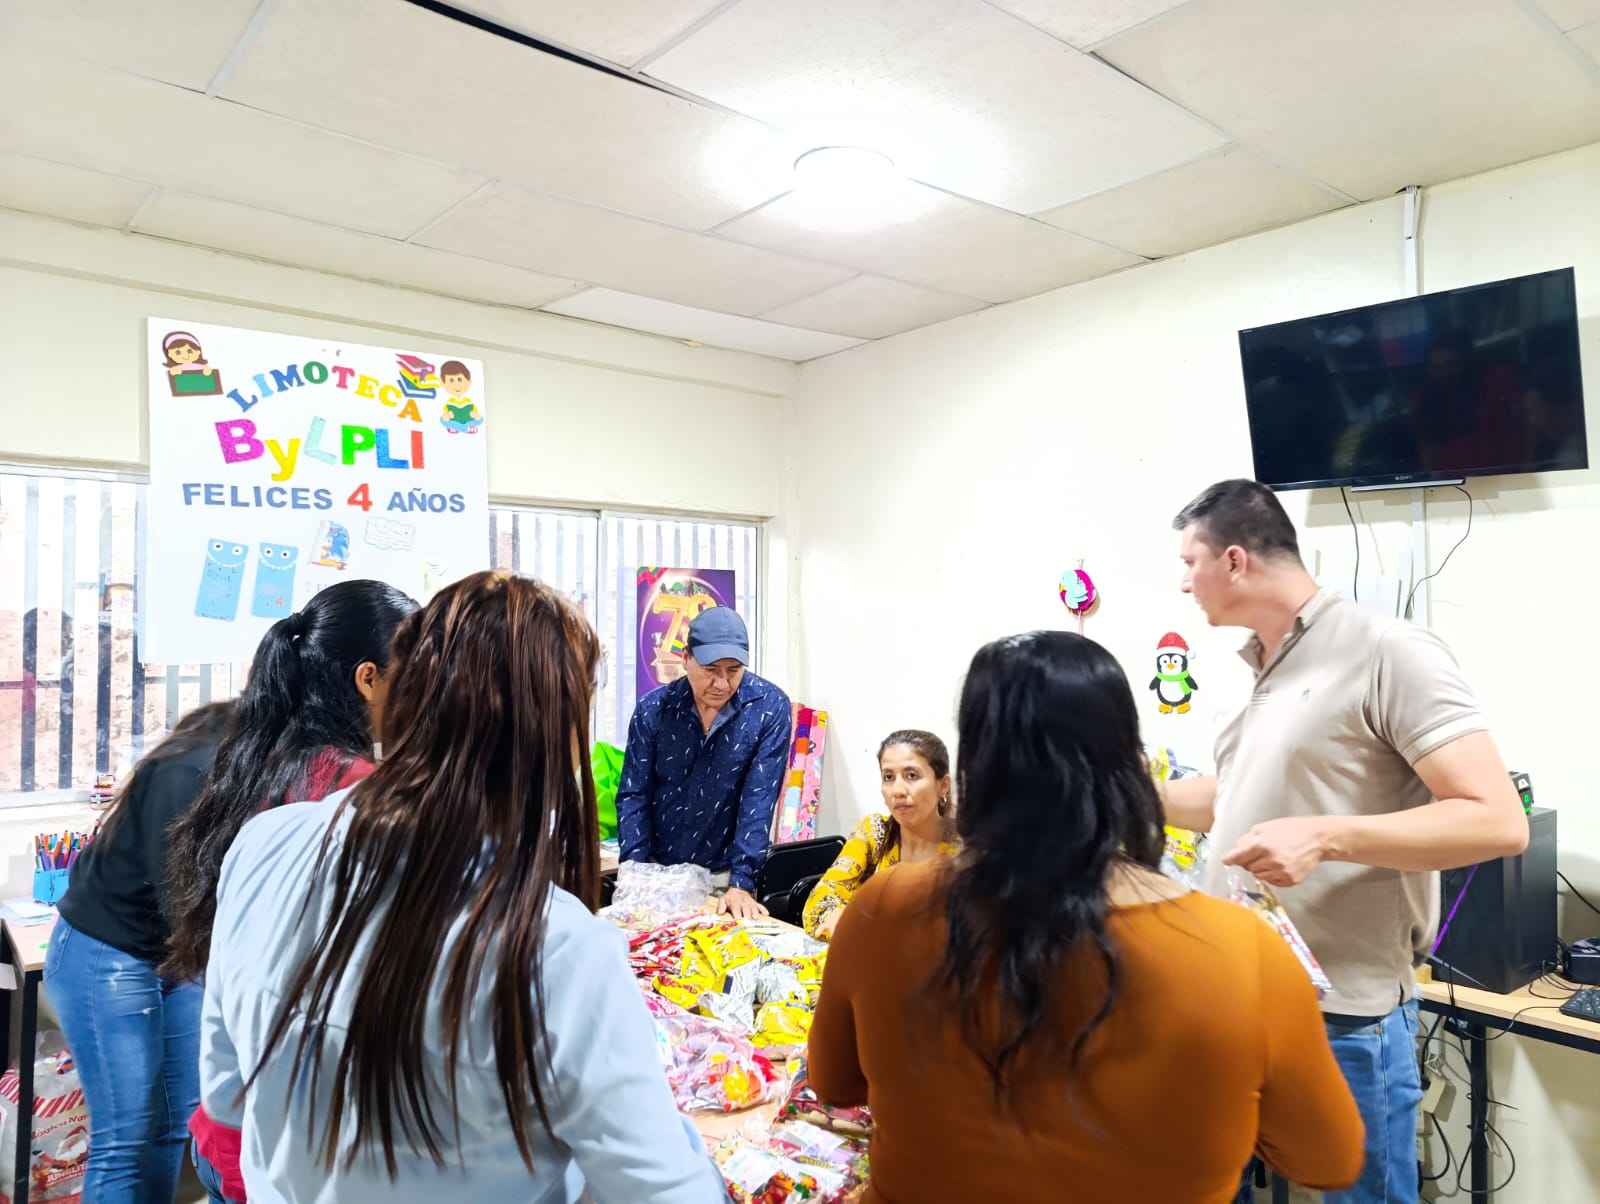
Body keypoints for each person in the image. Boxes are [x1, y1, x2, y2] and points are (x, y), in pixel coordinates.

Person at [201, 572, 725, 1202]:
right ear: (555, 732)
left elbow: (226, 1096)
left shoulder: (262, 845)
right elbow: (668, 1192)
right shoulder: (557, 947)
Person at [807, 631, 1364, 1202]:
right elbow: (1327, 1157)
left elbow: (835, 1083)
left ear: (971, 769)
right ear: (1129, 766)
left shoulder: (886, 907)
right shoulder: (1241, 949)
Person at [1165, 479, 1528, 1204]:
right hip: (1241, 997)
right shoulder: (1260, 665)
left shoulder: (1386, 649)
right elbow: (1237, 798)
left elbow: (1497, 820)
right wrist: (1124, 796)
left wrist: (1328, 838)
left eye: (1188, 562)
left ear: (1234, 560)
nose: (1182, 584)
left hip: (1346, 1017)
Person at [162, 579, 418, 1204]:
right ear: (368, 679)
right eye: (418, 673)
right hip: (287, 1148)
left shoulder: (261, 757)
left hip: (228, 1120)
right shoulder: (357, 794)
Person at [43, 701, 234, 1204]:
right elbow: (182, 899)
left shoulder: (235, 765)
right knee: (124, 1140)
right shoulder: (189, 768)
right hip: (107, 953)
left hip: (175, 952)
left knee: (172, 1126)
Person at [616, 606, 790, 919]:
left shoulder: (768, 708)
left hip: (724, 880)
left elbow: (759, 799)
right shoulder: (653, 709)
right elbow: (633, 795)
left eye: (733, 670)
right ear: (686, 659)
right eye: (711, 670)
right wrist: (635, 874)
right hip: (656, 874)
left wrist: (742, 882)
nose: (722, 683)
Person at [802, 729, 958, 941]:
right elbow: (821, 895)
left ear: (943, 785)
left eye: (912, 775)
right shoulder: (875, 832)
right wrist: (834, 916)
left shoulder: (965, 853)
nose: (898, 790)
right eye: (888, 777)